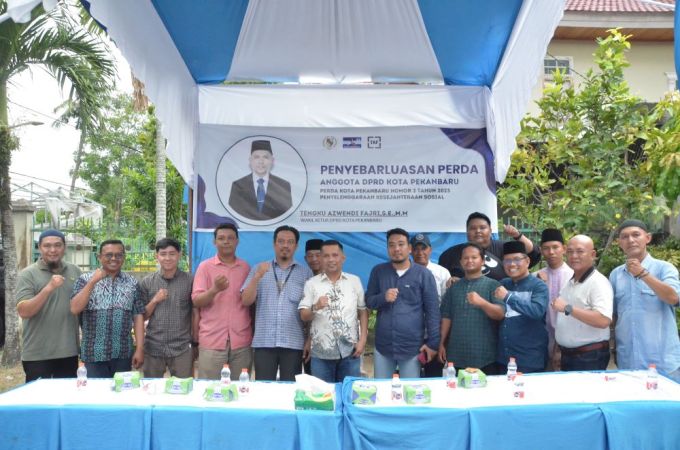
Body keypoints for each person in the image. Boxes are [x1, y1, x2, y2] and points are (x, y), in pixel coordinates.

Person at [610, 219, 680, 381]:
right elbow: (613, 316)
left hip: (662, 360)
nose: (631, 240)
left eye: (636, 235)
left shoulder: (664, 268)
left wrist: (643, 274)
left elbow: (673, 298)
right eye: (625, 237)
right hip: (628, 359)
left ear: (647, 238)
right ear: (619, 243)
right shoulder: (615, 275)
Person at [365, 228, 440, 379]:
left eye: (401, 244)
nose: (396, 249)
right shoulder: (378, 271)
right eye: (392, 245)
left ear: (409, 248)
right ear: (387, 249)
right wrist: (383, 297)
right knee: (382, 389)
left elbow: (432, 311)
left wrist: (433, 344)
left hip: (412, 347)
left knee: (410, 390)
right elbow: (369, 301)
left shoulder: (424, 274)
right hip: (384, 346)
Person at [241, 225, 312, 381]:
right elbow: (246, 300)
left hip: (293, 343)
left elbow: (309, 311)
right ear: (274, 244)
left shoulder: (305, 273)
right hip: (264, 341)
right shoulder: (259, 268)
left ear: (296, 246)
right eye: (281, 241)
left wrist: (309, 339)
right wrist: (257, 277)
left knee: (290, 389)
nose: (285, 245)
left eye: (290, 242)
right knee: (264, 388)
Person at [71, 240, 145, 377]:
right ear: (99, 257)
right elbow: (75, 308)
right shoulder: (84, 279)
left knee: (121, 389)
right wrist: (93, 281)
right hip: (94, 353)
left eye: (118, 255)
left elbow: (138, 316)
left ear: (124, 257)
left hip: (123, 352)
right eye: (109, 255)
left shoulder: (132, 283)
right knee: (97, 390)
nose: (114, 258)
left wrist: (140, 348)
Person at [16, 230, 81, 382]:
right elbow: (24, 311)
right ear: (40, 247)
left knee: (65, 396)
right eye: (47, 246)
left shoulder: (75, 271)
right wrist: (49, 288)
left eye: (57, 245)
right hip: (37, 354)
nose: (53, 250)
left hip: (68, 352)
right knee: (39, 397)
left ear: (64, 247)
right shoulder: (28, 274)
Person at [299, 240, 368, 382]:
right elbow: (304, 316)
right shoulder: (311, 284)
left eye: (335, 255)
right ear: (321, 258)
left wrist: (362, 340)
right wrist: (315, 307)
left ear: (343, 258)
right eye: (326, 256)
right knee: (323, 394)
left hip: (350, 351)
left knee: (348, 392)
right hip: (321, 354)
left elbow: (363, 312)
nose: (331, 259)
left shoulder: (354, 281)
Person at [192, 223, 252, 380]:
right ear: (214, 242)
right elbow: (196, 301)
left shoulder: (245, 268)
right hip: (212, 341)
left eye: (231, 238)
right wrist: (214, 289)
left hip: (241, 341)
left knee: (241, 388)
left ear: (237, 241)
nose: (226, 241)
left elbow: (250, 303)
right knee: (210, 389)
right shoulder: (205, 267)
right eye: (221, 238)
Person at [438, 242, 503, 374]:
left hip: (485, 355)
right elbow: (446, 316)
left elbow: (500, 314)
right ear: (461, 262)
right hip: (456, 354)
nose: (469, 261)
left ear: (482, 261)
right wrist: (441, 343)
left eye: (474, 257)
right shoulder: (453, 288)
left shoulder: (493, 285)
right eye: (466, 258)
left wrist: (482, 303)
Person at [551, 235, 612, 371]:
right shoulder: (570, 281)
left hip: (589, 356)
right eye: (570, 251)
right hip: (568, 354)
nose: (574, 256)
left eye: (580, 251)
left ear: (593, 255)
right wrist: (558, 349)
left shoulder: (598, 282)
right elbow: (564, 320)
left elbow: (603, 320)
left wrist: (567, 308)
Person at [140, 238, 194, 378]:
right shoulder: (147, 282)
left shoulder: (190, 281)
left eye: (172, 254)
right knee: (151, 387)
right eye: (163, 254)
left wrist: (195, 341)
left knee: (184, 387)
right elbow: (142, 316)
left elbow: (195, 312)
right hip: (153, 346)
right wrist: (155, 300)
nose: (168, 258)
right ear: (156, 256)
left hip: (181, 347)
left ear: (179, 255)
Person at [495, 241, 549, 374]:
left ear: (527, 261)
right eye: (507, 260)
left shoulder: (538, 286)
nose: (512, 264)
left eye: (517, 259)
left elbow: (537, 311)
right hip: (504, 358)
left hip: (529, 359)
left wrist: (508, 297)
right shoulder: (503, 284)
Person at [438, 212, 540, 281]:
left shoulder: (504, 248)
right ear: (467, 232)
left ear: (490, 230)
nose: (478, 231)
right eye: (473, 228)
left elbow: (534, 254)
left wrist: (518, 235)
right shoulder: (450, 254)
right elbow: (443, 279)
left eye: (482, 228)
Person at [411, 232, 450, 377]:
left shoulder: (442, 272)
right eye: (416, 249)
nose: (420, 252)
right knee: (410, 376)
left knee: (433, 376)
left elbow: (447, 307)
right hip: (411, 335)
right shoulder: (404, 272)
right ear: (410, 251)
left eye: (423, 248)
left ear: (430, 250)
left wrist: (442, 340)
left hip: (434, 335)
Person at [535, 228, 573, 370]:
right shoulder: (535, 277)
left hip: (568, 340)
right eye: (546, 248)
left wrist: (559, 348)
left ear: (564, 249)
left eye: (555, 247)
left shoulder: (574, 275)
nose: (551, 252)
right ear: (541, 250)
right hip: (541, 341)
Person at [228, 139, 292, 221]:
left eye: (265, 157)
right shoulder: (238, 186)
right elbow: (234, 213)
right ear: (250, 160)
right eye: (256, 157)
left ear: (272, 161)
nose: (261, 161)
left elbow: (286, 213)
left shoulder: (283, 186)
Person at [302, 238, 323, 374]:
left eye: (318, 255)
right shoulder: (305, 280)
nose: (314, 259)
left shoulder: (333, 279)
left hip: (328, 344)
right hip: (306, 342)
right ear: (305, 258)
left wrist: (310, 340)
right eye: (310, 256)